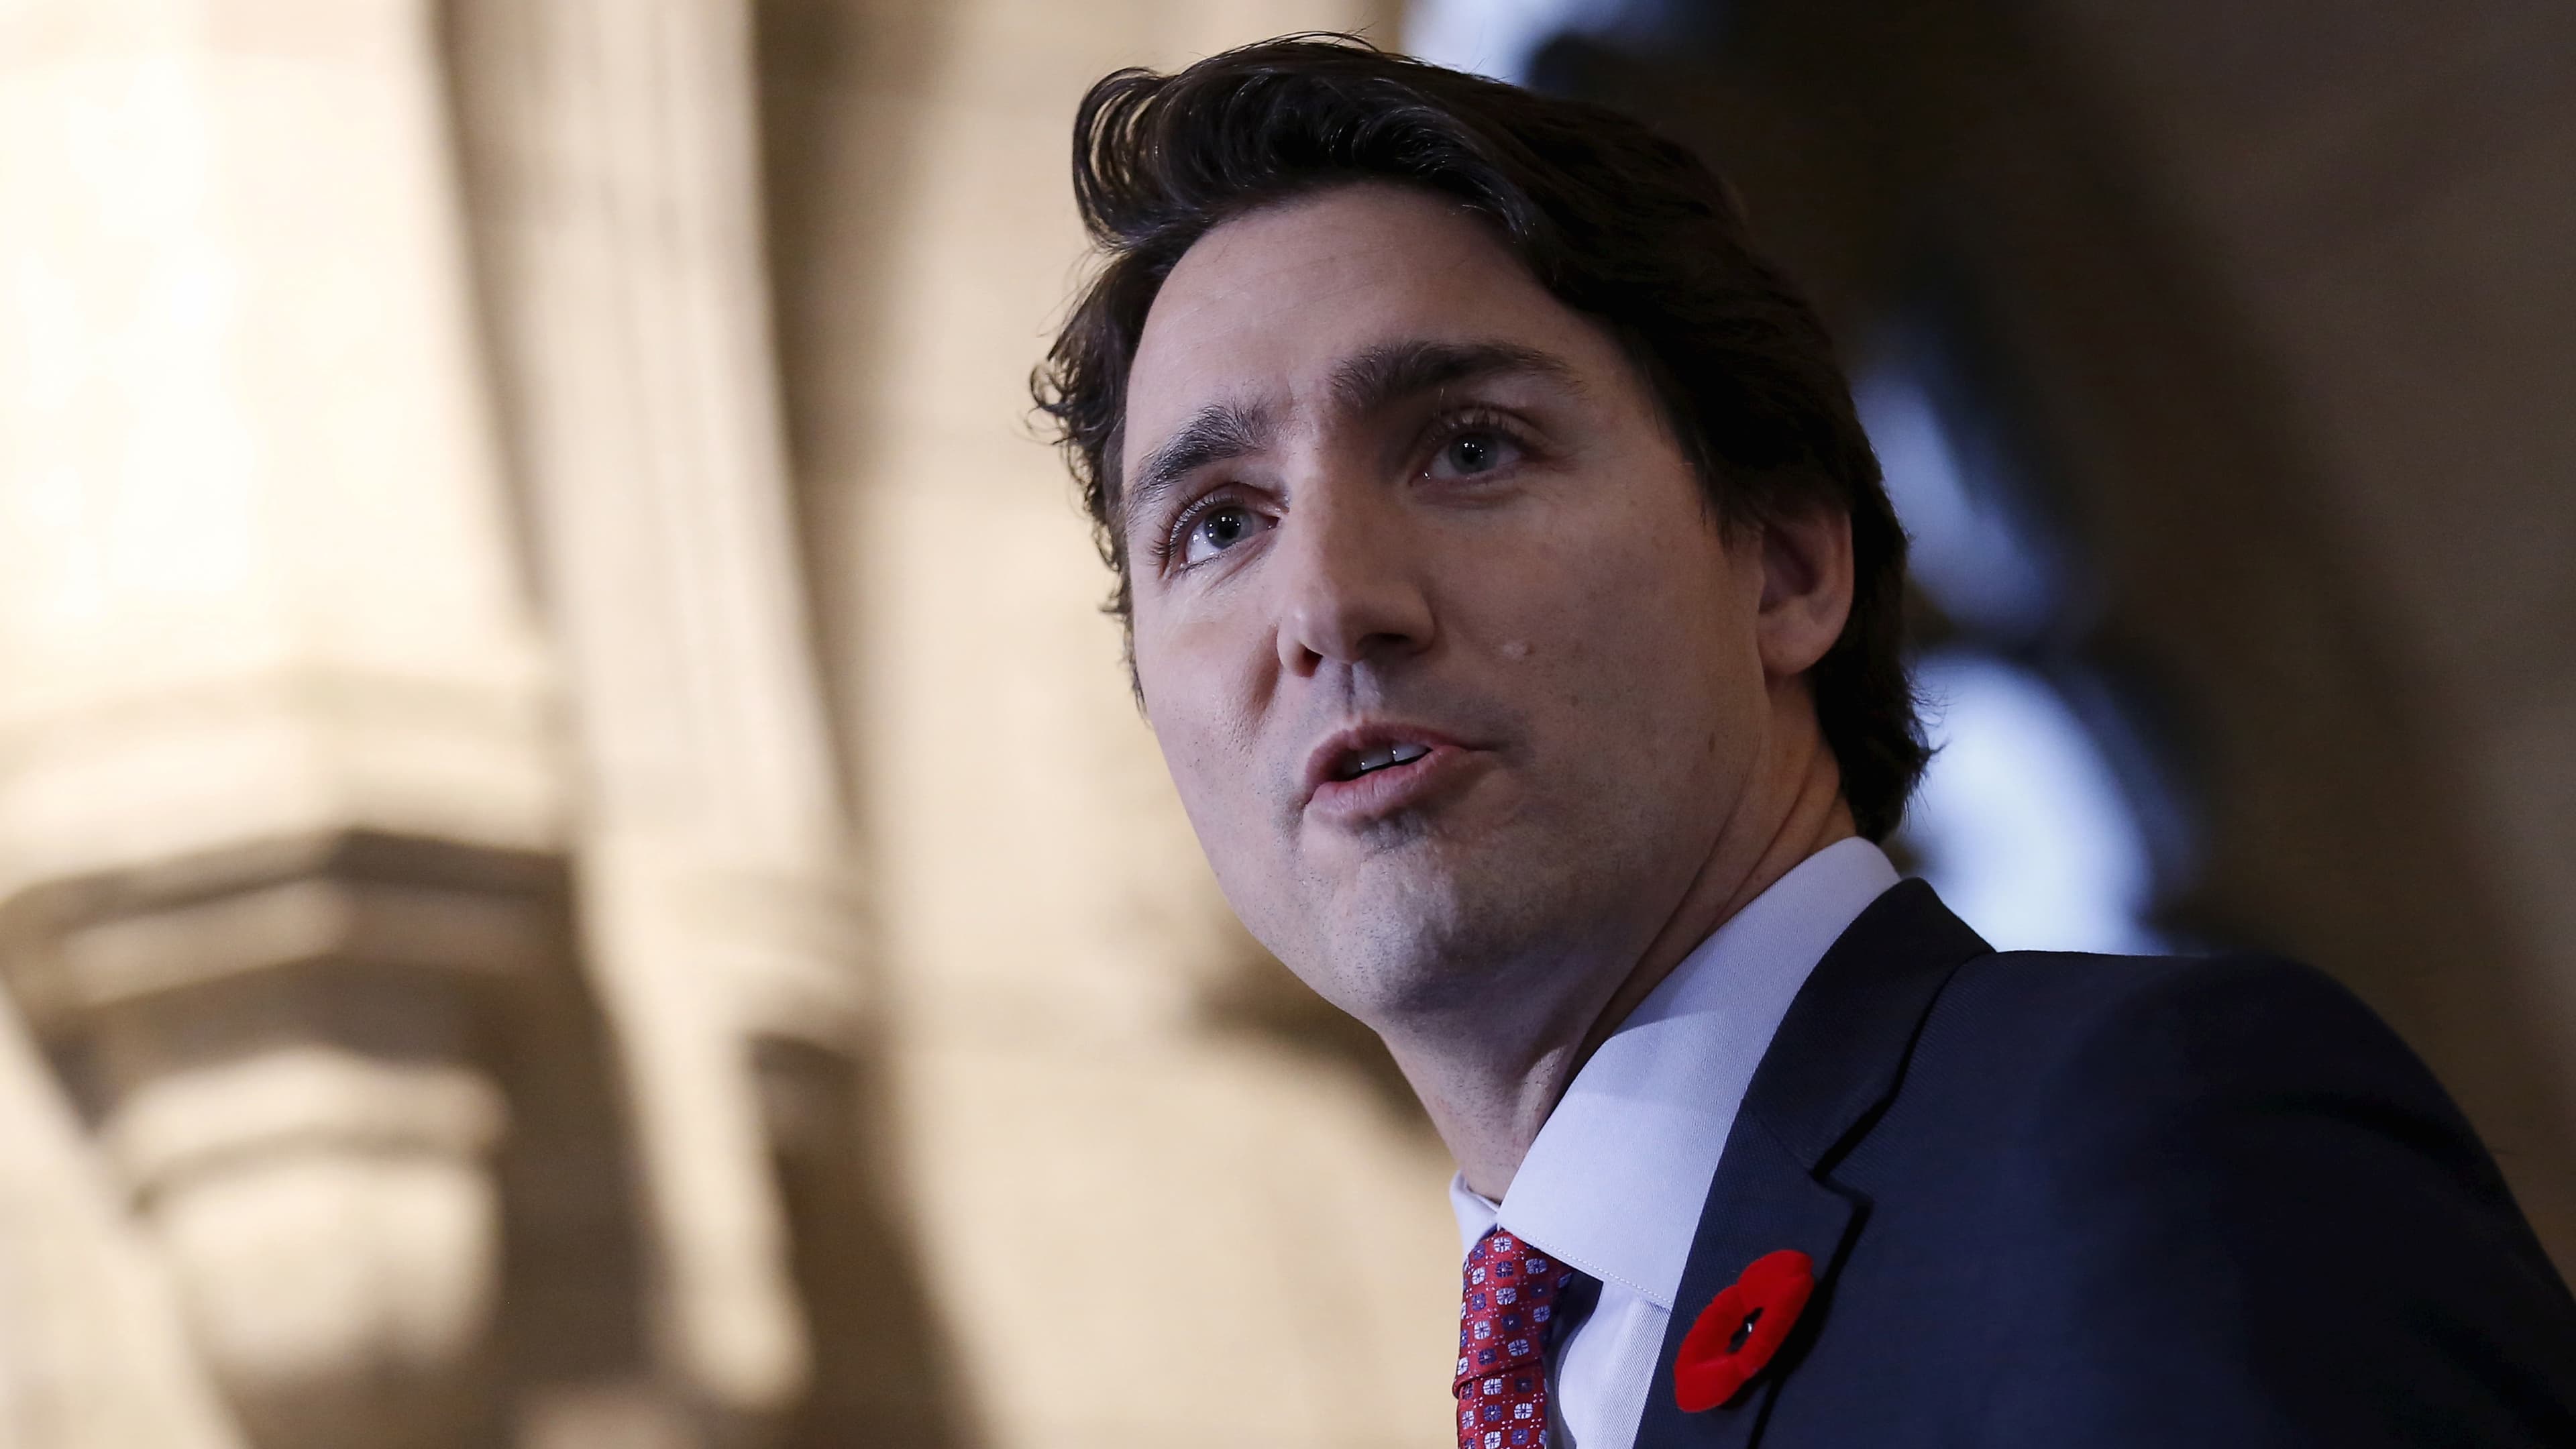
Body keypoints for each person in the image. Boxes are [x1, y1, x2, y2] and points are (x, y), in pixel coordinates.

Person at [1030, 34, 2576, 1449]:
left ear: (1784, 564)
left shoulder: (2150, 1140)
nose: (1331, 606)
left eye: (1469, 446)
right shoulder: (1566, 1374)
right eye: (1218, 524)